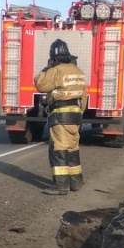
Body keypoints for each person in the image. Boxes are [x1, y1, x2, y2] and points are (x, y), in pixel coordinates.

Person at [35, 39, 87, 194]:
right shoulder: (79, 71)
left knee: (59, 149)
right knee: (72, 148)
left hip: (60, 115)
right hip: (75, 115)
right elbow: (84, 96)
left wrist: (47, 68)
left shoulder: (56, 71)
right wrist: (79, 113)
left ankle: (61, 186)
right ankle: (76, 182)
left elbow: (40, 84)